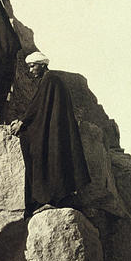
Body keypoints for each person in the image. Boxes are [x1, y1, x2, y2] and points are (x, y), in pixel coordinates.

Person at [10, 52, 90, 217]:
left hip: (55, 131)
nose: (31, 70)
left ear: (42, 65)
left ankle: (49, 199)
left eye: (33, 66)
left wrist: (22, 122)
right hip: (55, 130)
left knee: (44, 157)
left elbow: (38, 105)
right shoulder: (51, 80)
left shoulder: (50, 80)